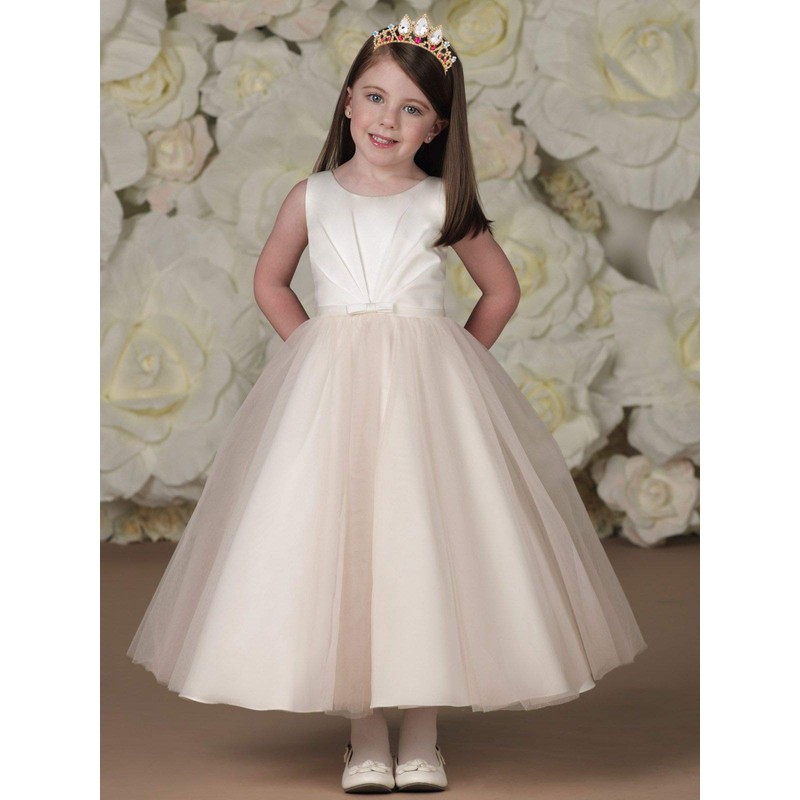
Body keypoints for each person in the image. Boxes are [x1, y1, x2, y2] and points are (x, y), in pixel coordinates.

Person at [126, 10, 647, 794]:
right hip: (331, 394)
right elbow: (270, 281)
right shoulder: (312, 197)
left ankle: (424, 734)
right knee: (341, 547)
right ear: (346, 101)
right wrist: (313, 349)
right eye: (374, 98)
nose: (387, 120)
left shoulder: (440, 201)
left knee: (424, 548)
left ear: (436, 127)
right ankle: (365, 733)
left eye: (411, 109)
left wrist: (454, 363)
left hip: (422, 400)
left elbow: (501, 291)